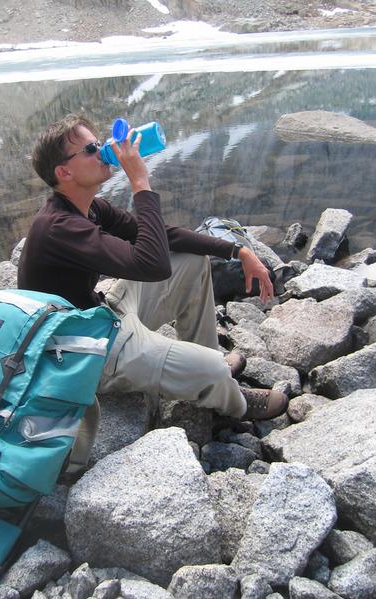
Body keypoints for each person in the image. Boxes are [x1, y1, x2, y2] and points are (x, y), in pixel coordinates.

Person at [18, 114, 288, 465]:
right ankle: (231, 399)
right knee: (210, 371)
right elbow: (152, 264)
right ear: (64, 172)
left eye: (99, 143)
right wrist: (140, 181)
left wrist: (237, 251)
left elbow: (164, 237)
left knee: (190, 261)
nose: (104, 150)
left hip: (98, 317)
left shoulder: (89, 208)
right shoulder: (59, 227)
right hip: (82, 353)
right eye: (91, 149)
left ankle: (211, 360)